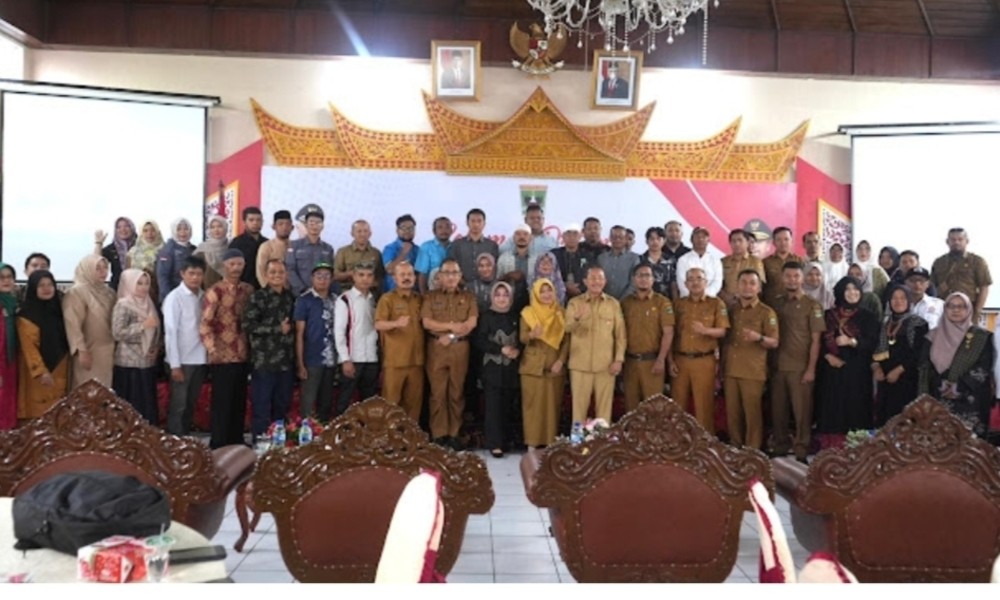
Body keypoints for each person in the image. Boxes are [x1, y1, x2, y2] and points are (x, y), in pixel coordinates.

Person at [919, 292, 996, 438]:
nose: (956, 310)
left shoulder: (982, 336)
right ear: (945, 309)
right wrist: (941, 384)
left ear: (969, 310)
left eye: (961, 307)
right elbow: (925, 366)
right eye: (951, 306)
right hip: (938, 396)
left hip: (970, 400)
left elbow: (983, 367)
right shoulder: (932, 336)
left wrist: (958, 386)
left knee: (969, 446)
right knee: (940, 443)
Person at [814, 276, 879, 449]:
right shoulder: (828, 315)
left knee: (856, 408)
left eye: (856, 289)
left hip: (857, 371)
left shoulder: (868, 317)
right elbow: (817, 341)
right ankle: (831, 450)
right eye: (848, 289)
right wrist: (827, 356)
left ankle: (856, 448)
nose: (852, 293)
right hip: (832, 371)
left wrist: (852, 342)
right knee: (832, 407)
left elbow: (873, 343)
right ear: (840, 292)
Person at [770, 262, 825, 463]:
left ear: (802, 279)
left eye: (796, 276)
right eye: (788, 276)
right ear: (782, 278)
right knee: (778, 412)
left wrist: (811, 369)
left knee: (802, 413)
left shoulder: (813, 305)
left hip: (800, 368)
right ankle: (780, 447)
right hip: (777, 367)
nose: (792, 280)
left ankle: (801, 450)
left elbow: (816, 340)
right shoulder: (775, 303)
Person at [421, 259, 478, 450]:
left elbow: (471, 323)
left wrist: (452, 335)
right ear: (439, 276)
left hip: (459, 348)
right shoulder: (430, 297)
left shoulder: (469, 297)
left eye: (455, 273)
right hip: (436, 348)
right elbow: (427, 322)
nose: (451, 277)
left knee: (456, 392)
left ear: (460, 276)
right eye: (447, 273)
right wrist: (451, 327)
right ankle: (439, 434)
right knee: (437, 393)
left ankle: (454, 434)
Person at [200, 248, 254, 448]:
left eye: (239, 264)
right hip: (222, 355)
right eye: (232, 264)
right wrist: (212, 348)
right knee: (222, 402)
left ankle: (236, 441)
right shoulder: (215, 291)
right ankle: (219, 444)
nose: (236, 268)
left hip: (243, 354)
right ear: (224, 266)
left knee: (239, 401)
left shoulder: (248, 290)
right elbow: (205, 324)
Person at [669, 267, 730, 434]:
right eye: (691, 279)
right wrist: (670, 360)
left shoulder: (716, 303)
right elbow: (670, 334)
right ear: (685, 284)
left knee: (704, 405)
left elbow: (723, 331)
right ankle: (679, 441)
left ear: (706, 282)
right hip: (680, 361)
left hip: (704, 361)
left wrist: (706, 331)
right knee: (678, 406)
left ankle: (705, 443)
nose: (695, 282)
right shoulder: (678, 304)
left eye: (699, 279)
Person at [723, 270, 778, 451]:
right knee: (733, 414)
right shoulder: (731, 310)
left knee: (752, 414)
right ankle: (734, 448)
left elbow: (774, 342)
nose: (747, 287)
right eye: (744, 282)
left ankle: (752, 452)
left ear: (759, 287)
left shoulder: (766, 312)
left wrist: (759, 337)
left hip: (753, 371)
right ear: (737, 286)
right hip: (730, 369)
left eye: (752, 283)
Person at [565, 265, 626, 424]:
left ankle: (602, 438)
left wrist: (618, 359)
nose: (596, 281)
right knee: (578, 411)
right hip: (580, 365)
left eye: (600, 278)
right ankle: (577, 439)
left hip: (606, 365)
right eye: (592, 278)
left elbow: (620, 335)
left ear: (605, 281)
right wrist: (577, 319)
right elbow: (567, 328)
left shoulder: (613, 304)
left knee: (604, 412)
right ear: (585, 281)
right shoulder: (574, 303)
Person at [244, 258, 296, 440]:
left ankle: (279, 445)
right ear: (266, 275)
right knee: (262, 405)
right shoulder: (258, 297)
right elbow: (248, 325)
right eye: (273, 272)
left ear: (286, 274)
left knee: (282, 405)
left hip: (285, 362)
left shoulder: (290, 298)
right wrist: (276, 329)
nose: (277, 275)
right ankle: (260, 444)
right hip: (264, 362)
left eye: (281, 272)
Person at [16, 269, 70, 423]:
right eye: (41, 285)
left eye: (50, 284)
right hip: (37, 373)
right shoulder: (26, 315)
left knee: (58, 414)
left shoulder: (59, 311)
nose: (46, 289)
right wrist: (41, 372)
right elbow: (29, 348)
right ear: (33, 288)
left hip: (60, 368)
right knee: (37, 416)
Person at [519, 278, 568, 448]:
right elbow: (522, 337)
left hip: (555, 366)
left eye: (549, 291)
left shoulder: (561, 312)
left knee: (552, 407)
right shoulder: (528, 313)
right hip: (532, 367)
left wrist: (561, 361)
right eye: (542, 291)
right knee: (532, 407)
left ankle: (549, 444)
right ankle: (532, 443)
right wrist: (532, 335)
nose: (546, 294)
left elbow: (567, 341)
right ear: (535, 294)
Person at [162, 255, 208, 435]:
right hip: (181, 361)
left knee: (191, 403)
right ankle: (174, 442)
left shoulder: (204, 296)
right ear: (182, 274)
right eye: (191, 273)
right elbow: (170, 332)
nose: (195, 278)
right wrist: (175, 365)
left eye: (199, 274)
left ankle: (186, 441)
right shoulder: (175, 298)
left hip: (200, 359)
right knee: (178, 405)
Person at [475, 281, 521, 458]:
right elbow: (480, 340)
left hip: (511, 368)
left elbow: (523, 339)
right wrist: (500, 349)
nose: (502, 299)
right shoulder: (486, 316)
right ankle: (494, 444)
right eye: (498, 295)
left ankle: (507, 441)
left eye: (505, 295)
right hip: (492, 367)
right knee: (493, 407)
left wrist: (517, 351)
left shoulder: (516, 316)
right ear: (492, 297)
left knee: (508, 404)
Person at [620, 264, 674, 414]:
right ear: (633, 279)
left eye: (647, 275)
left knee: (654, 410)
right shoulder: (625, 303)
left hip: (653, 363)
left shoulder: (662, 302)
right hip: (630, 363)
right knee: (631, 410)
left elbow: (668, 333)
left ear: (653, 279)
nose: (643, 279)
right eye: (640, 275)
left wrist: (661, 359)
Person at [374, 262, 424, 422]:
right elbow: (378, 324)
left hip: (417, 361)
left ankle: (410, 436)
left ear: (415, 277)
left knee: (414, 404)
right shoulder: (387, 299)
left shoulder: (419, 299)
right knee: (391, 404)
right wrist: (396, 323)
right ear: (394, 278)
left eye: (409, 274)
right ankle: (389, 436)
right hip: (395, 362)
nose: (406, 278)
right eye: (402, 275)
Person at [111, 269, 161, 424]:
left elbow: (156, 329)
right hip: (129, 363)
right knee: (132, 403)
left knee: (146, 402)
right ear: (129, 284)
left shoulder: (148, 303)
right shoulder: (123, 304)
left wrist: (156, 346)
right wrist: (142, 326)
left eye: (146, 283)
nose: (144, 287)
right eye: (139, 283)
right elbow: (118, 333)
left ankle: (147, 434)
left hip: (147, 361)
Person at [873, 285, 928, 426]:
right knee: (884, 419)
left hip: (907, 379)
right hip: (885, 379)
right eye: (894, 298)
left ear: (909, 301)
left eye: (903, 298)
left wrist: (898, 370)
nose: (898, 302)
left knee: (904, 420)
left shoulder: (918, 323)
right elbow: (876, 350)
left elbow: (919, 353)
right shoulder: (885, 323)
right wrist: (876, 368)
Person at [63, 255, 116, 388]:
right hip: (88, 351)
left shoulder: (109, 293)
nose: (103, 272)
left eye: (105, 268)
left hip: (108, 352)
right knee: (86, 391)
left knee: (105, 392)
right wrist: (81, 350)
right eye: (97, 268)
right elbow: (73, 324)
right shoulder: (76, 292)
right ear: (87, 269)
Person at [334, 263, 380, 415]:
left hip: (371, 357)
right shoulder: (345, 300)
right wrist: (345, 359)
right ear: (353, 276)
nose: (365, 279)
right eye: (361, 275)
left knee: (369, 402)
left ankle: (367, 430)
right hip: (353, 358)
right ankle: (342, 429)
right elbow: (339, 332)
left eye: (369, 275)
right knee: (345, 400)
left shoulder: (375, 299)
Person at [294, 262, 338, 421]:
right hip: (312, 359)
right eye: (319, 276)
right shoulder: (304, 300)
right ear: (312, 278)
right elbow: (299, 334)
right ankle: (305, 433)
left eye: (326, 276)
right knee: (308, 401)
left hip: (332, 359)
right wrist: (300, 364)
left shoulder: (336, 299)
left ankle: (324, 433)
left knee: (326, 401)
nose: (322, 279)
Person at [930, 228, 992, 323]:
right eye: (953, 240)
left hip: (968, 310)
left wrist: (977, 311)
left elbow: (984, 287)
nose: (956, 242)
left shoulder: (977, 261)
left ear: (967, 241)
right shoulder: (939, 262)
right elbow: (932, 287)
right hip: (944, 310)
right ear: (947, 242)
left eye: (960, 239)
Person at [285, 210, 335, 296]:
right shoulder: (294, 245)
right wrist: (302, 289)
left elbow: (330, 272)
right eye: (311, 223)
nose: (315, 226)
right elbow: (289, 269)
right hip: (299, 294)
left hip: (321, 293)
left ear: (322, 226)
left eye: (318, 223)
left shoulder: (328, 249)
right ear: (306, 225)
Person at [448, 208, 499, 286]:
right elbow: (452, 267)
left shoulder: (492, 245)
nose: (476, 224)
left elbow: (494, 269)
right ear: (467, 223)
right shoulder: (457, 245)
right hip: (461, 287)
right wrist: (465, 285)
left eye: (479, 221)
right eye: (473, 221)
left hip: (486, 288)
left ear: (484, 224)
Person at [334, 220, 385, 292]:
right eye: (359, 231)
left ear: (370, 234)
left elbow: (381, 276)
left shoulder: (376, 253)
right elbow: (335, 275)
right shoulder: (343, 252)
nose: (362, 234)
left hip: (371, 292)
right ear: (352, 233)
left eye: (365, 231)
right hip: (348, 291)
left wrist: (368, 282)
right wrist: (351, 274)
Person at [720, 229, 765, 307]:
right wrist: (727, 298)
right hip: (727, 303)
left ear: (747, 243)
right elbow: (718, 284)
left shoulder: (756, 262)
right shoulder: (723, 262)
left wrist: (744, 299)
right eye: (733, 241)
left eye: (740, 240)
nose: (737, 244)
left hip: (748, 304)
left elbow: (759, 286)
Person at [675, 227, 722, 299]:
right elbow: (682, 283)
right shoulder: (683, 260)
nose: (700, 239)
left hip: (710, 300)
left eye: (704, 237)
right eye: (697, 237)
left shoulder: (715, 260)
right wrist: (695, 297)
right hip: (688, 300)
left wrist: (705, 296)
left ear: (708, 240)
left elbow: (717, 283)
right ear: (691, 240)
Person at [762, 226, 804, 305]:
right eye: (779, 240)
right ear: (774, 242)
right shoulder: (766, 262)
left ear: (791, 241)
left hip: (794, 304)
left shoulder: (799, 261)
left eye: (786, 239)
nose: (783, 243)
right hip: (772, 304)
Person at [156, 217, 195, 302]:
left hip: (189, 295)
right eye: (179, 229)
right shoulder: (168, 250)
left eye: (186, 229)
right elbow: (163, 276)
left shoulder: (193, 249)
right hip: (173, 296)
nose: (183, 232)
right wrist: (169, 298)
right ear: (174, 230)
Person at [229, 207, 268, 290]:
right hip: (242, 289)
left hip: (264, 288)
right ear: (244, 222)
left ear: (262, 222)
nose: (255, 223)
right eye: (251, 220)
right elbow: (230, 268)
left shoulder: (267, 243)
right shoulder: (237, 243)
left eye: (258, 220)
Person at [551, 223, 592, 302]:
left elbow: (591, 276)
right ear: (563, 237)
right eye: (568, 234)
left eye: (575, 234)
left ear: (580, 236)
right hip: (557, 297)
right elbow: (548, 275)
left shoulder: (588, 256)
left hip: (583, 297)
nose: (572, 237)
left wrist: (580, 288)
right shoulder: (554, 255)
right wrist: (564, 286)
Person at [597, 225, 639, 300]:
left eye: (620, 237)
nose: (617, 239)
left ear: (625, 239)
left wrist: (622, 300)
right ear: (610, 238)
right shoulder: (601, 258)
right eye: (614, 237)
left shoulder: (634, 259)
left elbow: (634, 283)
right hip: (603, 301)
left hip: (627, 301)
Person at [94, 216, 136, 290]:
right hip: (116, 289)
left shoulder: (140, 245)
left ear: (132, 228)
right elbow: (96, 261)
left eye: (126, 226)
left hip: (139, 287)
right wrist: (99, 243)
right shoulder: (112, 248)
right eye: (119, 227)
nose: (123, 229)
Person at [256, 210, 293, 289]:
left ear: (292, 227)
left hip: (293, 292)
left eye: (287, 224)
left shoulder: (295, 246)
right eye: (280, 224)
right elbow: (260, 272)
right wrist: (270, 291)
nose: (284, 227)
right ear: (273, 226)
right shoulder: (266, 247)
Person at [415, 217, 453, 293]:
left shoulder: (456, 246)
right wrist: (424, 296)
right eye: (440, 227)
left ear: (451, 230)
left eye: (447, 227)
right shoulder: (426, 247)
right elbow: (422, 274)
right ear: (434, 231)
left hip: (452, 291)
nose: (444, 230)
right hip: (432, 291)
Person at [382, 214, 419, 292]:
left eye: (411, 228)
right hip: (392, 294)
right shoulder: (390, 248)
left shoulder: (417, 249)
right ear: (397, 230)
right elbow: (389, 270)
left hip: (413, 294)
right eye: (404, 228)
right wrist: (403, 253)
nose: (407, 231)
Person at [127, 220, 164, 295]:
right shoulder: (133, 252)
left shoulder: (165, 250)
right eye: (145, 231)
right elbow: (128, 274)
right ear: (141, 233)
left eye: (153, 230)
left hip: (159, 291)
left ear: (157, 231)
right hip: (137, 291)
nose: (149, 234)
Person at [0, 264, 17, 429]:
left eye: (9, 277)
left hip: (10, 361)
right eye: (1, 277)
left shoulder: (12, 302)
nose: (6, 281)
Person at [194, 215, 230, 289]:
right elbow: (194, 273)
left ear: (225, 228)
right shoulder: (202, 249)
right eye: (212, 227)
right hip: (207, 290)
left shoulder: (231, 246)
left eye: (219, 226)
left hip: (228, 290)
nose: (216, 230)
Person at [662, 220, 691, 299]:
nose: (674, 233)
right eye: (670, 230)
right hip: (661, 297)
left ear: (682, 234)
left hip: (686, 297)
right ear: (665, 233)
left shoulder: (690, 254)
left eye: (677, 230)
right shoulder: (657, 252)